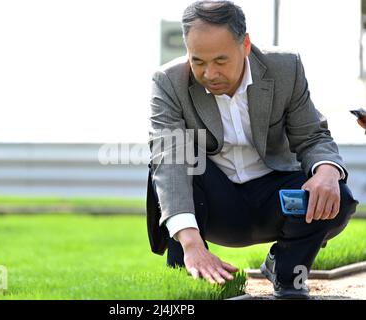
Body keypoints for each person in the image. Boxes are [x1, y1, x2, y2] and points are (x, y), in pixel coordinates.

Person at [147, 0, 359, 299]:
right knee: (173, 164)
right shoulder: (168, 82)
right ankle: (188, 274)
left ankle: (287, 272)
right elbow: (169, 159)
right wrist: (192, 243)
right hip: (214, 205)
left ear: (245, 45)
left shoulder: (286, 68)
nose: (209, 73)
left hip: (275, 197)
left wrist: (326, 170)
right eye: (198, 62)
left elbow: (312, 136)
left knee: (338, 193)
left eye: (221, 61)